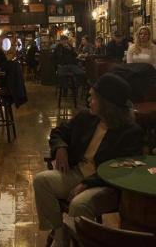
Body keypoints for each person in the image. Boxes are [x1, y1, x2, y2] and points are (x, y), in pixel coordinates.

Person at [33, 73, 143, 247]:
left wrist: (87, 184)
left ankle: (82, 242)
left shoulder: (130, 132)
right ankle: (61, 236)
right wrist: (60, 147)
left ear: (107, 104)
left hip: (105, 184)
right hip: (77, 173)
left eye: (94, 97)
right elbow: (58, 132)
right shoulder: (86, 117)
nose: (89, 100)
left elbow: (122, 169)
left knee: (79, 204)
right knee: (41, 181)